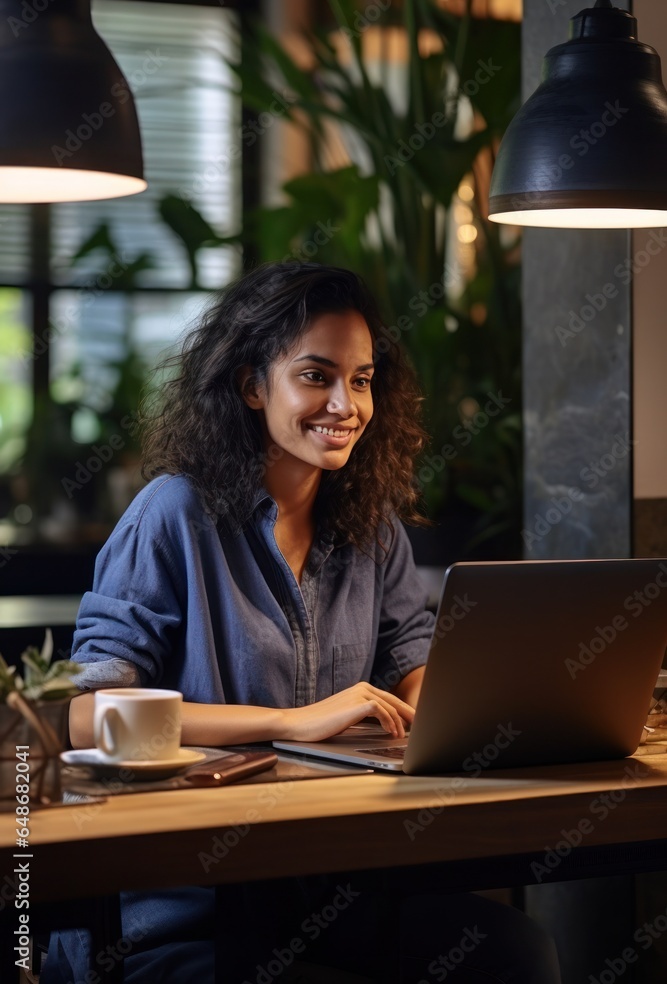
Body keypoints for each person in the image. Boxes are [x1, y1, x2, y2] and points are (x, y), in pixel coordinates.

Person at [43, 262, 561, 983]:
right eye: (315, 376)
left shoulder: (371, 526)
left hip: (331, 883)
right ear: (253, 386)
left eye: (361, 379)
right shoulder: (173, 514)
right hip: (187, 912)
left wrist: (443, 707)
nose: (344, 403)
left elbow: (412, 655)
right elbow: (84, 714)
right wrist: (291, 722)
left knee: (517, 955)